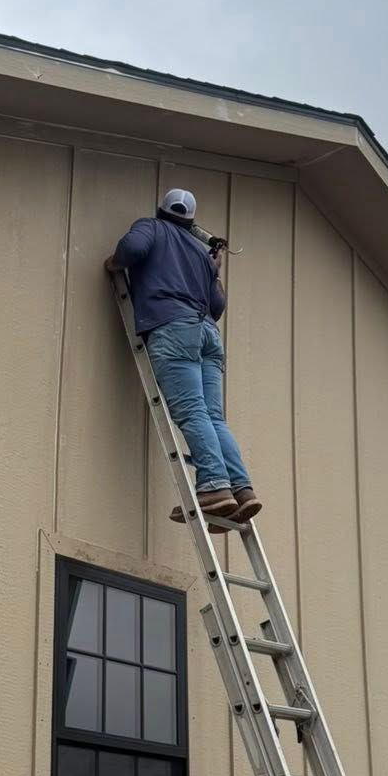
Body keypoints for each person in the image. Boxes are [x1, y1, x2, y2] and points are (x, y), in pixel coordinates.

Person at [106, 188, 261, 527]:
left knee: (192, 412)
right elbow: (217, 306)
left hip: (174, 330)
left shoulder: (152, 227)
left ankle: (214, 487)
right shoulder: (199, 251)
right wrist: (212, 271)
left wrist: (115, 263)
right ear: (190, 220)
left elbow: (132, 248)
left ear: (162, 211)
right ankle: (240, 488)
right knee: (213, 418)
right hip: (207, 333)